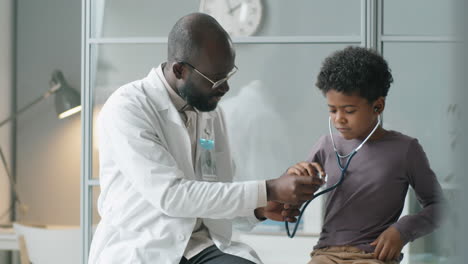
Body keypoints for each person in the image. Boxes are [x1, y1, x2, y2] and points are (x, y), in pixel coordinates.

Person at [88, 13, 323, 264]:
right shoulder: (128, 108)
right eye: (215, 79)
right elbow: (172, 196)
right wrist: (269, 188)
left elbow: (215, 192)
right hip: (143, 246)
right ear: (180, 70)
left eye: (228, 75)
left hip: (198, 246)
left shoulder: (210, 112)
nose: (226, 88)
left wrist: (258, 208)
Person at [287, 46, 445, 264]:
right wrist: (291, 179)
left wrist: (402, 230)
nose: (338, 119)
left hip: (373, 255)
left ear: (378, 106)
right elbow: (291, 201)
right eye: (332, 110)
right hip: (326, 254)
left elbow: (439, 207)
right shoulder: (326, 145)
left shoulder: (405, 149)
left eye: (349, 111)